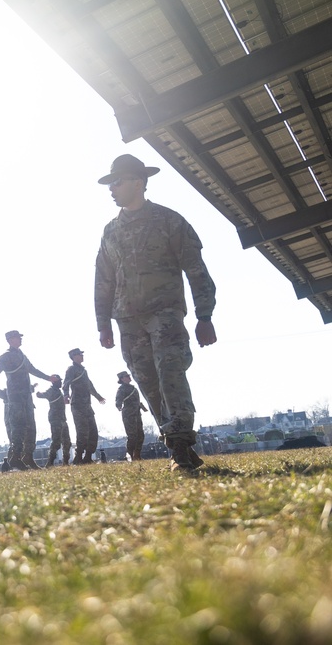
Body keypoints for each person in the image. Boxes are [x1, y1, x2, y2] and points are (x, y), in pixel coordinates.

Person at [94, 154, 218, 472]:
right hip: (127, 320)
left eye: (117, 182)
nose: (112, 189)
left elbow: (195, 268)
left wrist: (205, 315)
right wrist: (103, 323)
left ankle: (179, 446)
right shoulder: (110, 232)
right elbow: (103, 280)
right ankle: (178, 443)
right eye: (110, 183)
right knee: (148, 382)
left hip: (164, 313)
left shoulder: (169, 221)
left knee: (170, 373)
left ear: (138, 181)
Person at [0, 330, 57, 470]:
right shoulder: (6, 356)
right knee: (18, 426)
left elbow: (33, 369)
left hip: (27, 397)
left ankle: (28, 457)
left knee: (31, 428)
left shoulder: (22, 356)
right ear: (10, 340)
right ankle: (15, 457)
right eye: (17, 338)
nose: (20, 340)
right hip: (15, 397)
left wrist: (48, 378)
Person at [63, 348, 106, 464]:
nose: (82, 356)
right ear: (74, 357)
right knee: (82, 432)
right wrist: (66, 395)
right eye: (80, 355)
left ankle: (88, 457)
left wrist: (98, 397)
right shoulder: (71, 369)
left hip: (87, 405)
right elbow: (66, 383)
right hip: (77, 405)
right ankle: (78, 457)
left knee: (93, 431)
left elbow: (89, 386)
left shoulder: (83, 371)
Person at [36, 374, 71, 466]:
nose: (61, 383)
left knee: (67, 442)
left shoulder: (58, 391)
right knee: (56, 441)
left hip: (62, 419)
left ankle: (66, 462)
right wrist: (39, 394)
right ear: (54, 382)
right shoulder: (51, 390)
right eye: (59, 381)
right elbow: (43, 395)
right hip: (56, 419)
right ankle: (50, 463)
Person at [115, 371, 148, 461]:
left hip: (137, 413)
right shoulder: (121, 389)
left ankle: (137, 454)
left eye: (128, 376)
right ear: (122, 379)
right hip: (128, 414)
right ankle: (130, 455)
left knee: (140, 434)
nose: (129, 377)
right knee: (132, 435)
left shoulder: (133, 388)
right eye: (126, 376)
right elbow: (118, 400)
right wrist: (118, 405)